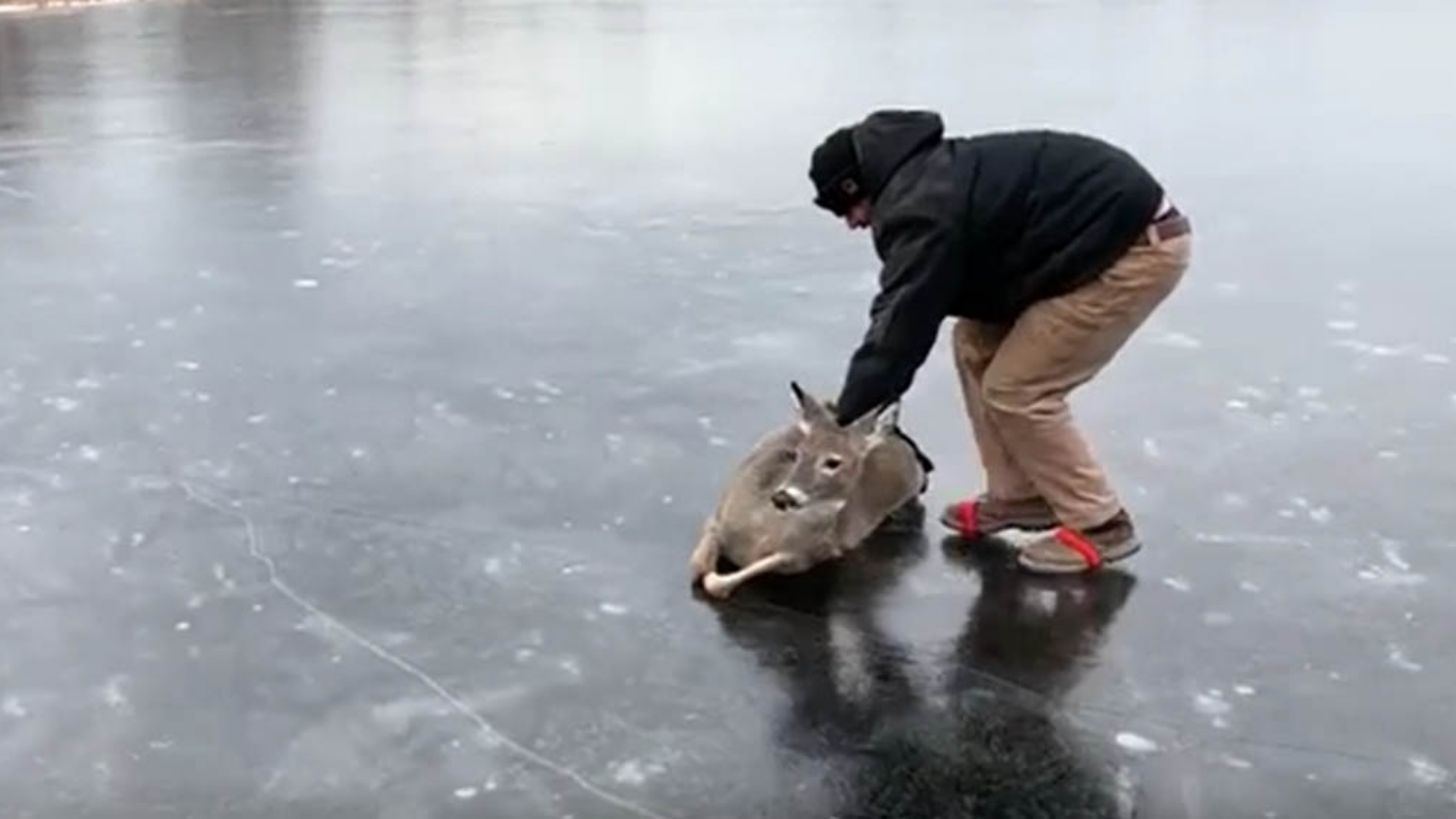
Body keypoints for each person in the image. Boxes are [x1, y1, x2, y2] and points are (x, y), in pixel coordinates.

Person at [808, 109, 1192, 574]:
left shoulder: (919, 207)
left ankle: (1100, 524)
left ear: (858, 185)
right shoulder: (920, 176)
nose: (851, 223)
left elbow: (903, 320)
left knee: (1019, 388)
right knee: (974, 344)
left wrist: (852, 412)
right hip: (1080, 244)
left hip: (1132, 249)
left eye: (845, 208)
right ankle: (1021, 495)